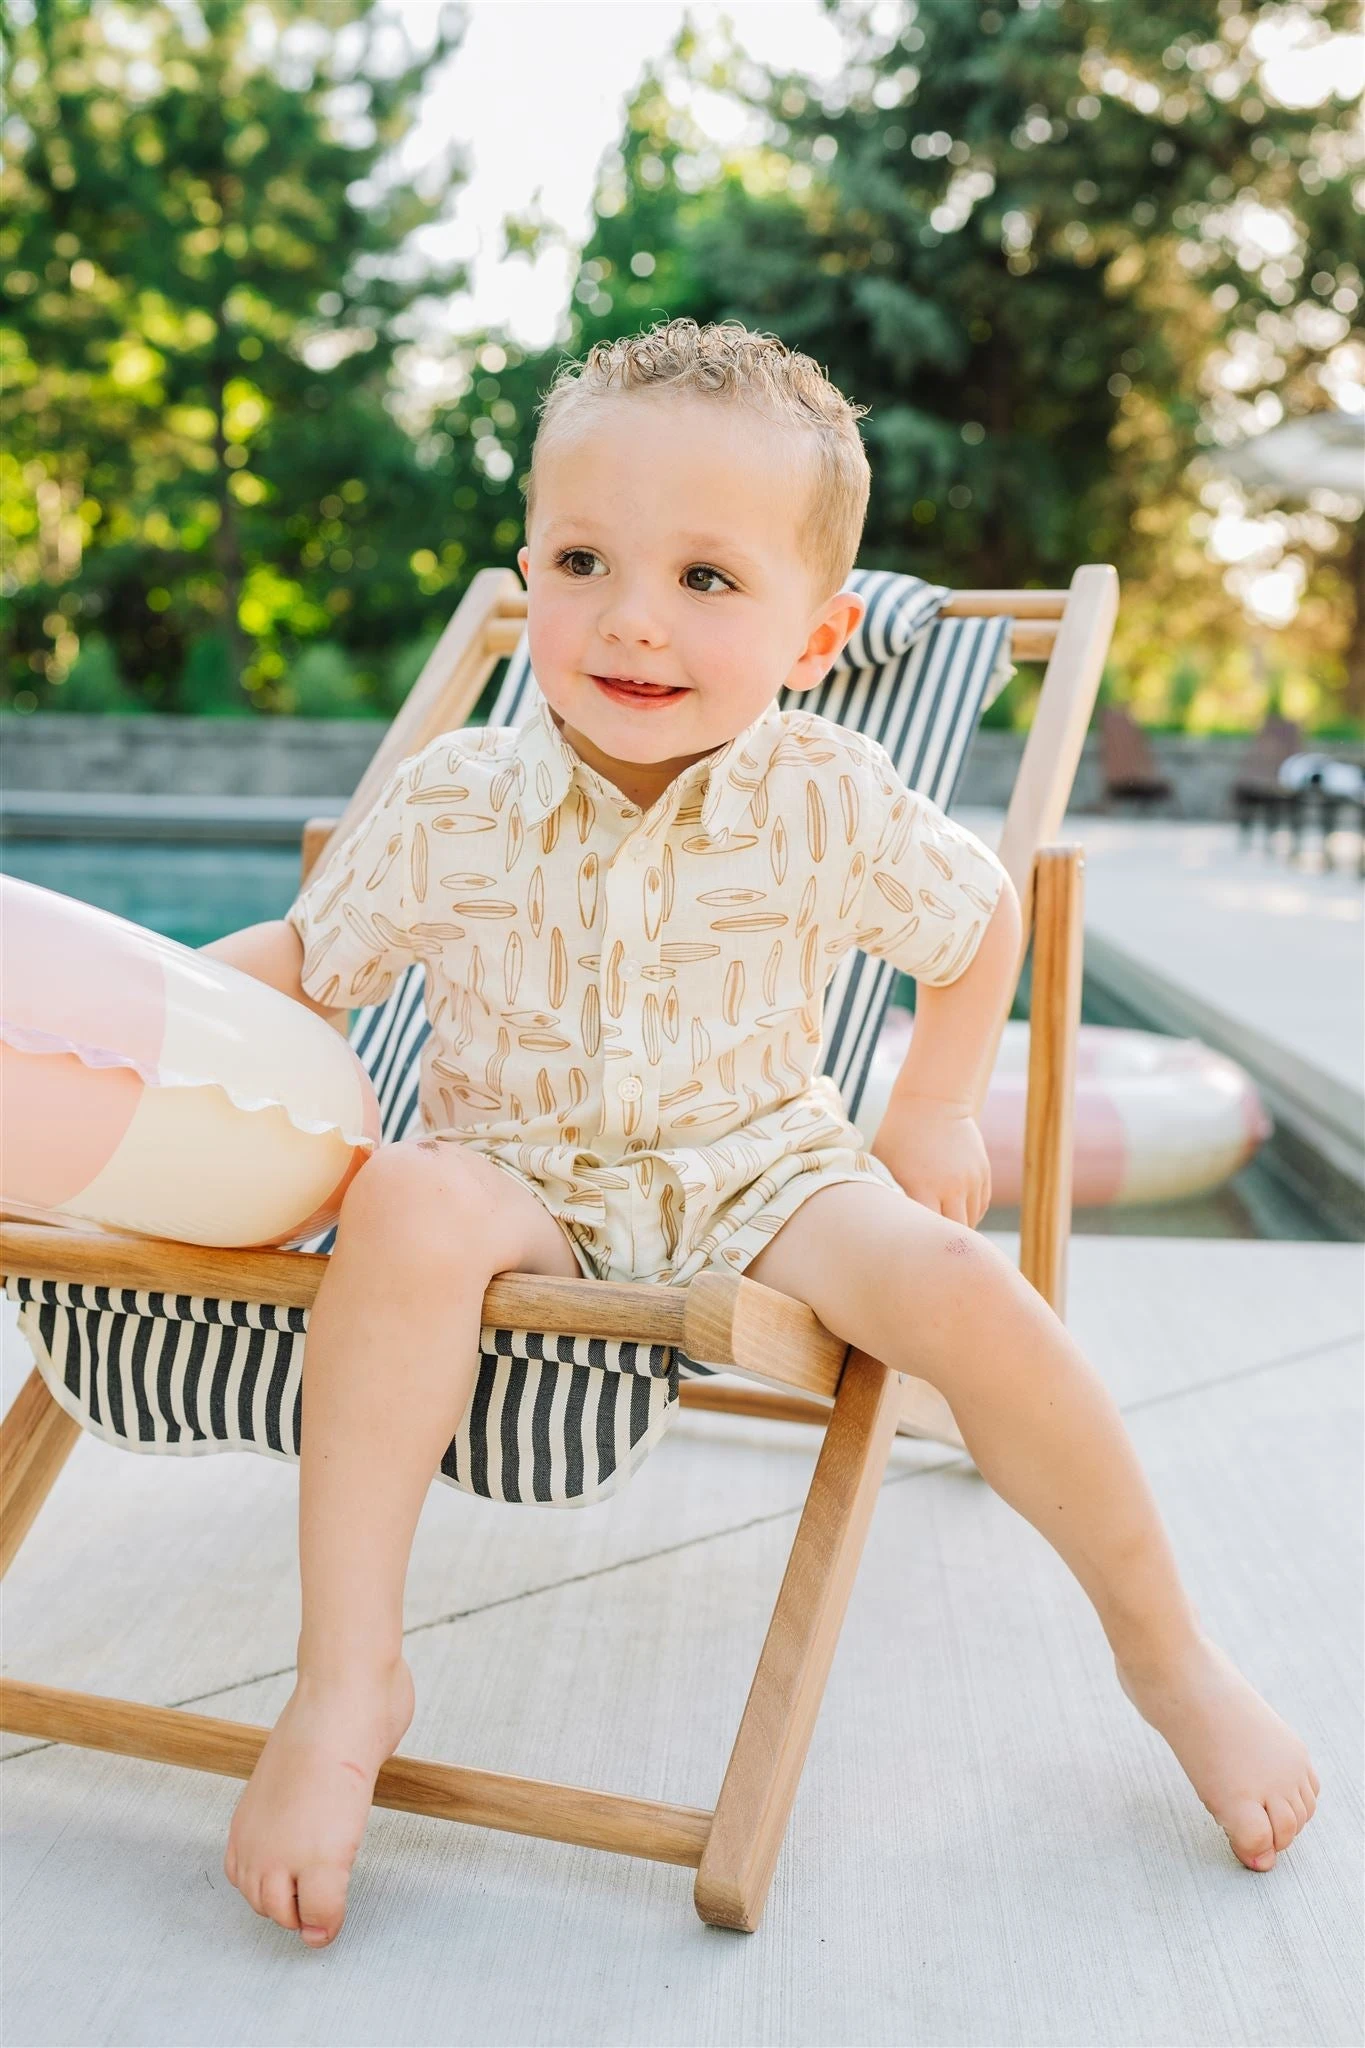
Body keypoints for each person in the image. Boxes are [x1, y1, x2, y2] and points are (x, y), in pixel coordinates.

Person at [204, 318, 1318, 1948]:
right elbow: (310, 965)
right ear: (528, 573)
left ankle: (1168, 1656)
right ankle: (344, 1676)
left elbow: (979, 922)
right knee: (408, 1203)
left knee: (968, 1289)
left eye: (708, 579)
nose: (634, 617)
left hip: (762, 1168)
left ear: (816, 636)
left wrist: (933, 1106)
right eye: (583, 561)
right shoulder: (455, 801)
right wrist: (136, 1008)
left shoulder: (827, 796)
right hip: (519, 1166)